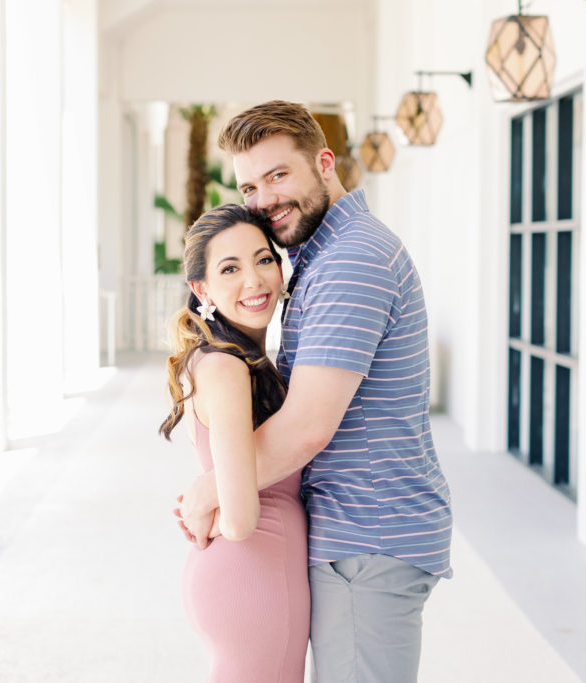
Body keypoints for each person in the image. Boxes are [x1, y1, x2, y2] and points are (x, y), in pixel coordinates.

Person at [179, 100, 453, 683]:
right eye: (250, 185)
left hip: (368, 532)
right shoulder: (321, 254)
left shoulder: (350, 259)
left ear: (324, 163)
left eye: (279, 175)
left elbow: (307, 425)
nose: (265, 198)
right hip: (356, 533)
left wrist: (212, 488)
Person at [160, 203, 309, 682]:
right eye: (231, 268)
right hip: (253, 579)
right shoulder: (225, 368)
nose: (255, 279)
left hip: (250, 577)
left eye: (264, 259)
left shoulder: (229, 360)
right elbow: (242, 520)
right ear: (200, 288)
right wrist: (217, 498)